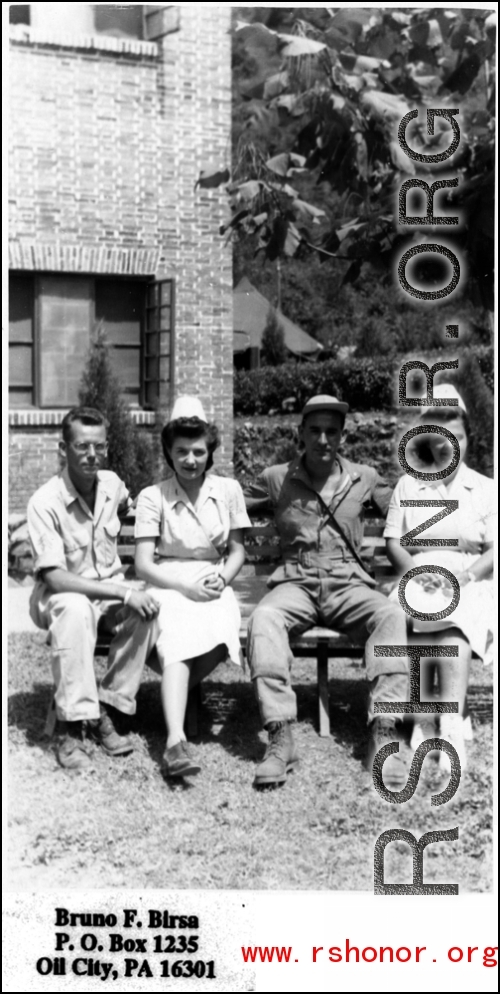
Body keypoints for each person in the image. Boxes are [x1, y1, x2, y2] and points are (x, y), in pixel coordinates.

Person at [245, 395, 409, 788]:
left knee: (390, 616)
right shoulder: (276, 477)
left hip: (348, 583)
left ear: (342, 436)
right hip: (295, 583)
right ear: (300, 433)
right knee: (264, 618)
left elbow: (407, 509)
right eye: (314, 431)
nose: (322, 439)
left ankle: (385, 734)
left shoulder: (364, 478)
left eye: (331, 432)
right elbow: (226, 504)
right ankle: (280, 734)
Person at [28, 406, 160, 771]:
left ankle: (107, 708)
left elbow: (128, 502)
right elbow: (53, 577)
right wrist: (123, 592)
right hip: (60, 597)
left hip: (107, 594)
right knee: (75, 608)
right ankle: (72, 728)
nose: (91, 455)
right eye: (82, 446)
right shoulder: (45, 501)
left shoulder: (112, 484)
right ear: (62, 448)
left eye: (99, 447)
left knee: (148, 609)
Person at [134, 397, 252, 778]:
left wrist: (224, 577)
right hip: (168, 581)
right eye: (181, 451)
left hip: (213, 578)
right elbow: (143, 564)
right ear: (168, 451)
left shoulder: (228, 490)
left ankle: (175, 687)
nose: (190, 460)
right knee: (177, 637)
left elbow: (236, 551)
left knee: (219, 630)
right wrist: (185, 588)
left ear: (210, 451)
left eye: (198, 451)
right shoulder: (154, 496)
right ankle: (174, 741)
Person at [384, 384, 495, 774]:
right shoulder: (408, 484)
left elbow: (494, 550)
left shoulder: (484, 488)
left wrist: (465, 575)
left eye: (459, 436)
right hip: (420, 572)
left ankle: (446, 722)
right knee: (412, 611)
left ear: (467, 438)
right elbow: (395, 543)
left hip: (469, 575)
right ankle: (428, 719)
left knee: (455, 616)